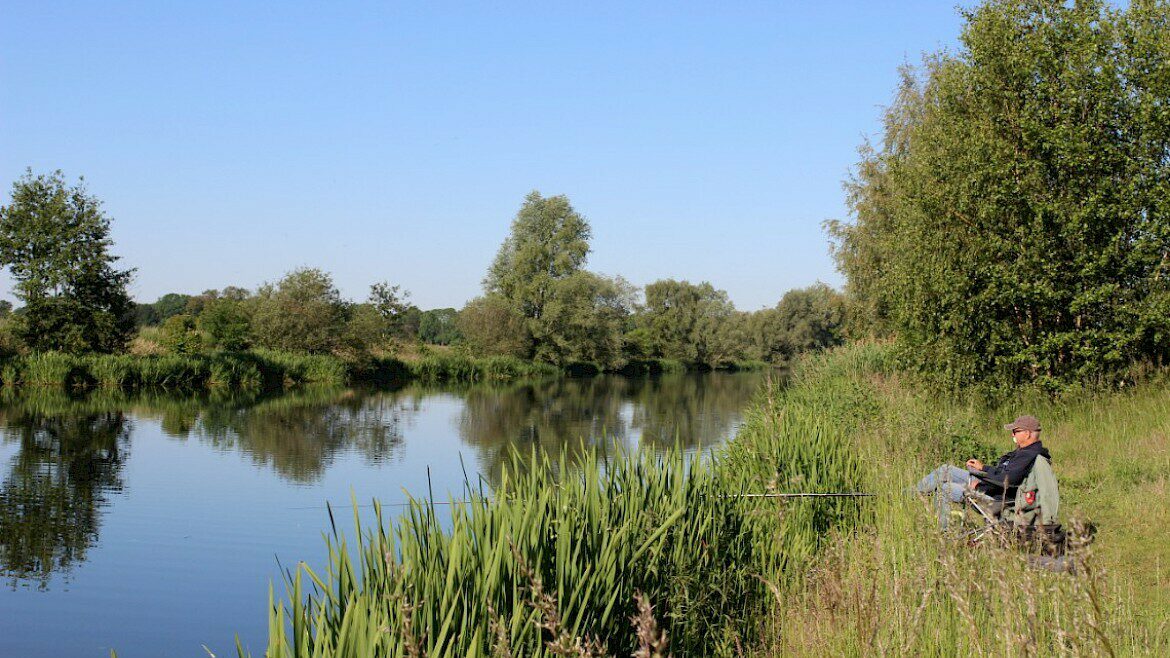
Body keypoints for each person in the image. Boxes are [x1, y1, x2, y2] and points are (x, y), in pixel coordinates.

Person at [916, 415, 1052, 508]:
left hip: (995, 495)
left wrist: (979, 487)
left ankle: (944, 533)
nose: (1012, 435)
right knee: (946, 470)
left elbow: (1008, 481)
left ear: (1027, 434)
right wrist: (984, 468)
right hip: (991, 486)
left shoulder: (1028, 455)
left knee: (945, 489)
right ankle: (912, 494)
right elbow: (1007, 473)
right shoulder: (1026, 451)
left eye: (1015, 431)